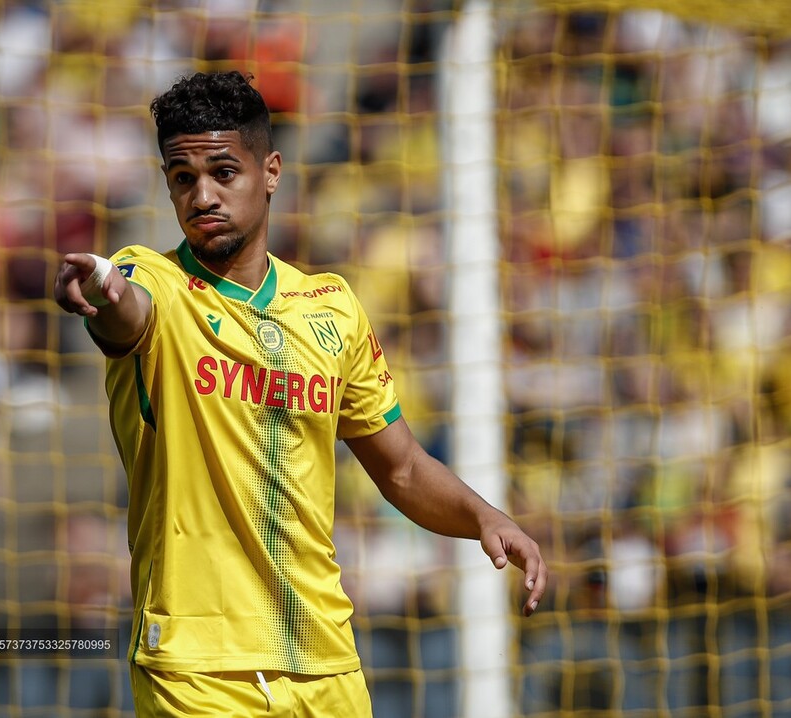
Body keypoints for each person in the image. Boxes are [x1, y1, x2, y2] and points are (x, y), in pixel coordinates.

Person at [53, 70, 548, 716]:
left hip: (325, 662)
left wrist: (485, 517)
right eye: (182, 177)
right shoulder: (153, 279)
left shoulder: (331, 308)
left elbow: (401, 467)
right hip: (197, 669)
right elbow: (127, 311)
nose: (202, 195)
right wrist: (101, 288)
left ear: (271, 172)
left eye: (222, 172)